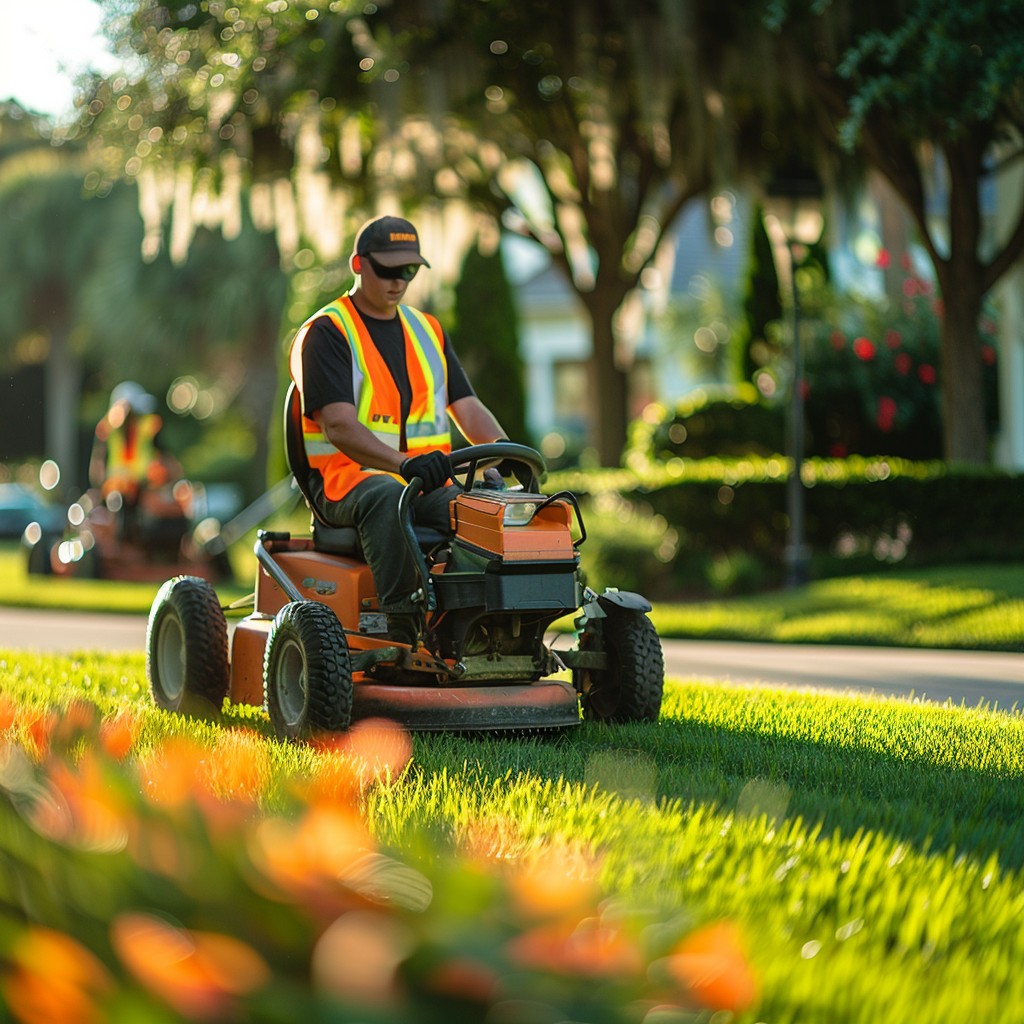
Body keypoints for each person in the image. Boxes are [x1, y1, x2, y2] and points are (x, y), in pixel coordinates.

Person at [288, 215, 507, 644]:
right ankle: (402, 628)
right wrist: (403, 464)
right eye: (388, 270)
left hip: (424, 481)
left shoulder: (428, 331)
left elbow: (467, 405)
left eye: (408, 271)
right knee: (388, 495)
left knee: (488, 512)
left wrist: (506, 451)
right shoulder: (327, 333)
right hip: (346, 482)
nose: (398, 281)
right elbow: (338, 427)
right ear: (358, 264)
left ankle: (486, 624)